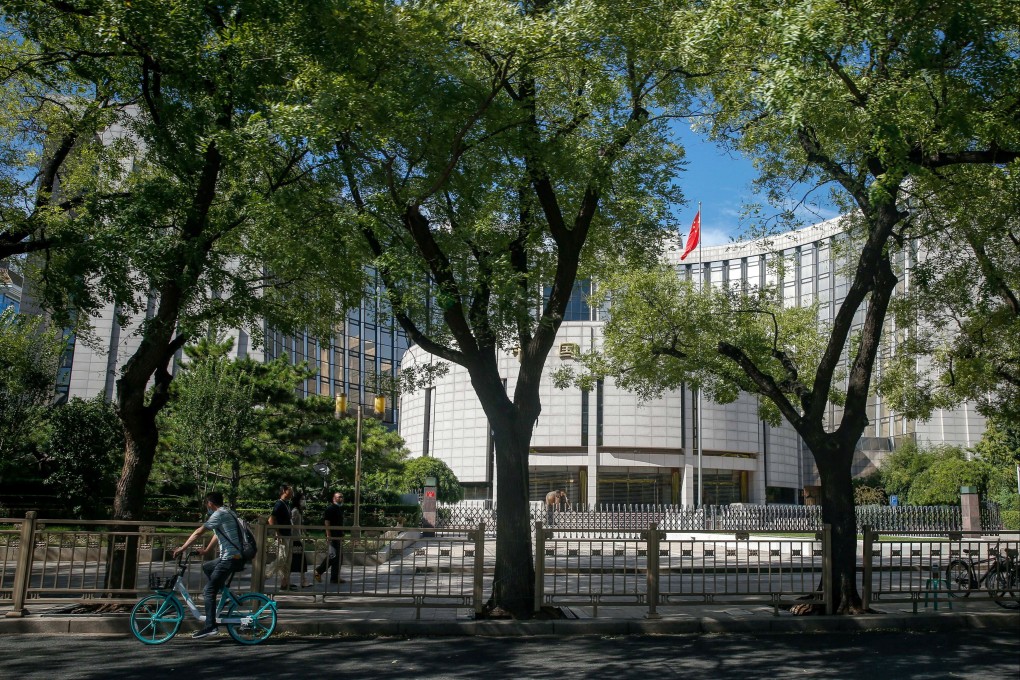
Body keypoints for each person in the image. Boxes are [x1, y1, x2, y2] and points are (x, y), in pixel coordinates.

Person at [172, 491, 245, 639]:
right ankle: (226, 593)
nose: (207, 507)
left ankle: (210, 626)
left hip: (230, 558)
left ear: (210, 503)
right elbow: (217, 533)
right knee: (207, 567)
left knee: (209, 591)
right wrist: (206, 550)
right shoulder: (227, 512)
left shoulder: (218, 514)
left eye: (207, 504)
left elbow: (199, 532)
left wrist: (182, 548)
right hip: (234, 556)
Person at [265, 483, 293, 591]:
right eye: (290, 489)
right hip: (282, 535)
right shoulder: (279, 504)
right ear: (284, 491)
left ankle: (284, 582)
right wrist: (277, 533)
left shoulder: (287, 504)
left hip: (288, 534)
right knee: (282, 558)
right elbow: (271, 519)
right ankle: (266, 573)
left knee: (287, 560)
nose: (292, 491)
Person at [314, 491, 345, 584]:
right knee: (334, 556)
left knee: (337, 556)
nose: (341, 498)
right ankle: (320, 572)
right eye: (339, 497)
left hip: (338, 536)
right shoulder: (330, 509)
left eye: (342, 497)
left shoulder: (339, 509)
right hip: (333, 536)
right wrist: (328, 535)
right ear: (334, 498)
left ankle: (333, 577)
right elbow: (327, 522)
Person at [289, 492, 311, 589]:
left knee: (295, 560)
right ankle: (302, 581)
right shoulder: (295, 511)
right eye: (302, 499)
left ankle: (288, 581)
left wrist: (306, 534)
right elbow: (291, 524)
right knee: (299, 560)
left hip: (297, 538)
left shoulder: (298, 511)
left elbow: (300, 525)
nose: (304, 501)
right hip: (294, 539)